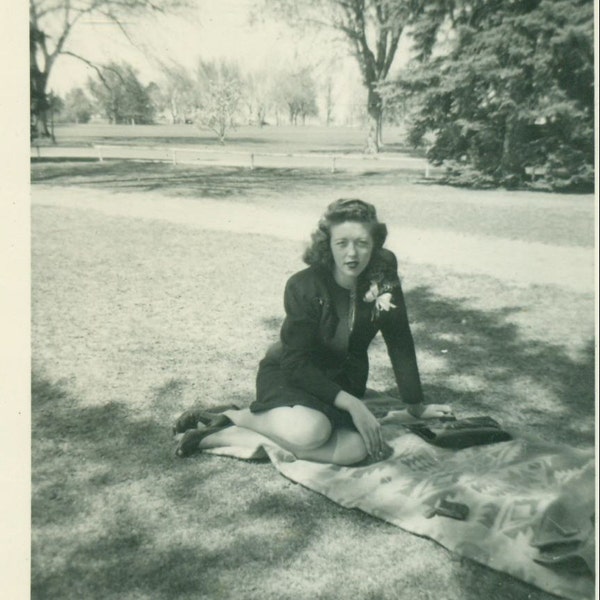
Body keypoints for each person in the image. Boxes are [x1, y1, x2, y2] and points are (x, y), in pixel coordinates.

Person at [173, 199, 452, 465]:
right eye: (341, 243)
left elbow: (399, 338)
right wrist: (353, 405)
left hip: (343, 381)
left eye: (362, 243)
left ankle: (218, 434)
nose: (352, 254)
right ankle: (235, 416)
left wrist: (415, 405)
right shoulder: (303, 286)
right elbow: (295, 363)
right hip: (291, 375)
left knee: (358, 449)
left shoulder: (384, 272)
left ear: (375, 243)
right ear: (327, 244)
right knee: (312, 432)